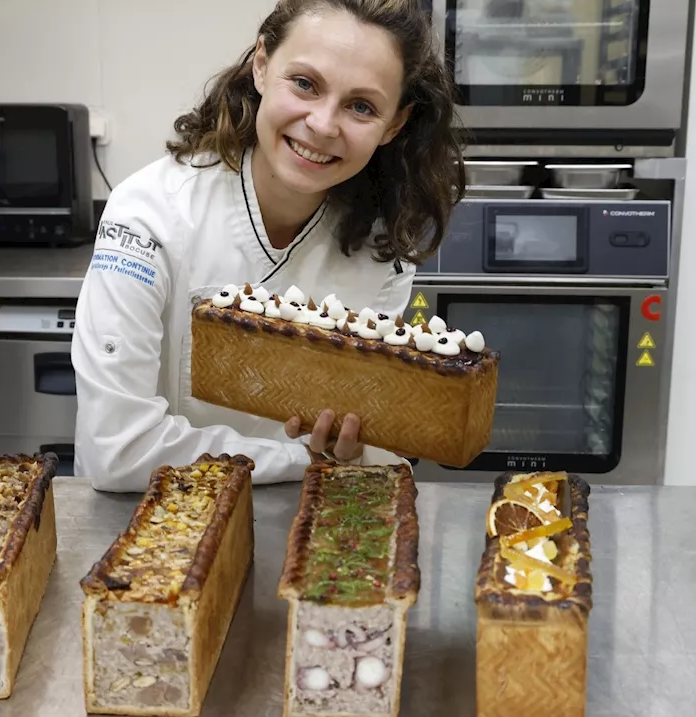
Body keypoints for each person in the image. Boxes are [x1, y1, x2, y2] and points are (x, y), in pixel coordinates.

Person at [71, 0, 466, 492]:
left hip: (300, 530)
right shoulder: (149, 215)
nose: (322, 124)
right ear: (261, 64)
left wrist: (349, 448)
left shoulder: (382, 250)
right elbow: (118, 450)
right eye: (305, 84)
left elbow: (363, 439)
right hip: (145, 525)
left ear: (394, 124)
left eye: (361, 106)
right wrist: (303, 461)